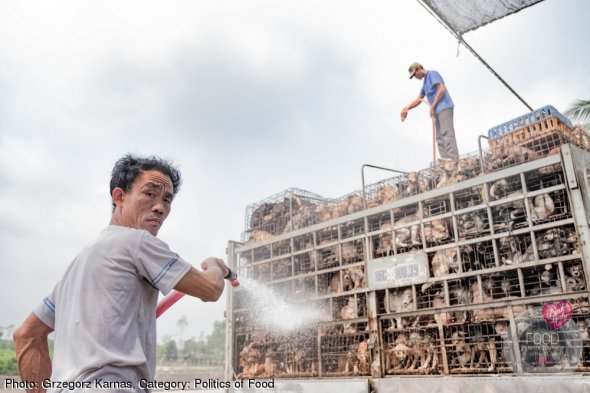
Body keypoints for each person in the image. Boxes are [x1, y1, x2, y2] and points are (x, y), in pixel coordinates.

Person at [13, 154, 231, 392]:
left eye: (167, 199)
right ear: (119, 197)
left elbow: (27, 335)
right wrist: (216, 266)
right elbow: (210, 289)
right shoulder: (136, 241)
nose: (160, 207)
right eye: (150, 194)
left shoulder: (77, 267)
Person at [400, 62, 460, 160]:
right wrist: (406, 108)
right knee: (439, 138)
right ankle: (446, 161)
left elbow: (441, 89)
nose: (415, 77)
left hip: (444, 107)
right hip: (436, 112)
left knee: (446, 133)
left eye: (415, 74)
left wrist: (433, 106)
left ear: (419, 69)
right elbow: (419, 99)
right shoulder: (424, 84)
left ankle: (453, 160)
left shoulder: (432, 74)